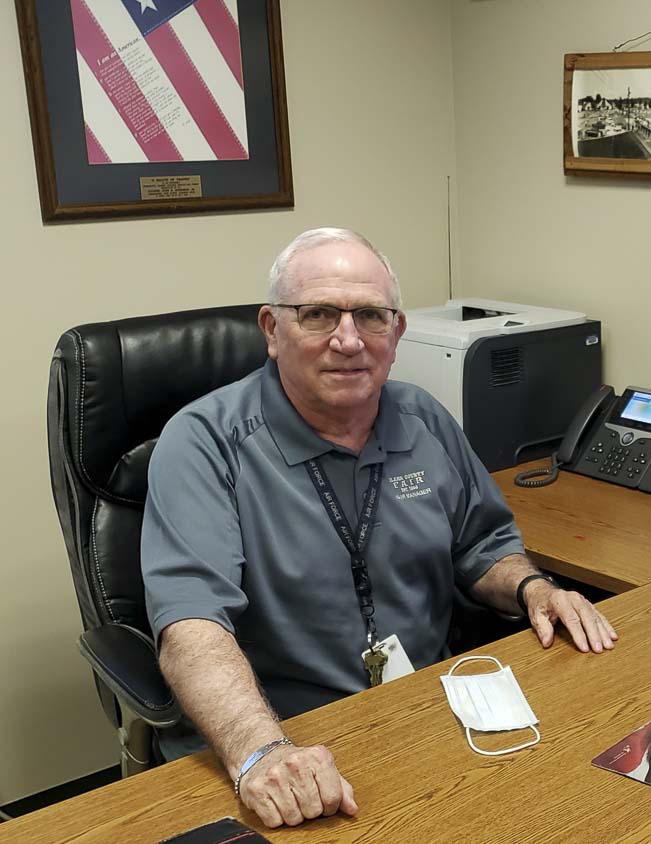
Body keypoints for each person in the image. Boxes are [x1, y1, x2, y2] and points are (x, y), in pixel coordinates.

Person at [141, 227, 617, 829]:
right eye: (317, 314)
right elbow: (192, 626)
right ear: (270, 329)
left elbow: (482, 547)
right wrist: (262, 751)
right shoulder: (205, 442)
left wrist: (535, 590)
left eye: (370, 315)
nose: (347, 340)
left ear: (396, 332)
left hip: (429, 718)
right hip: (287, 739)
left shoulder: (423, 418)